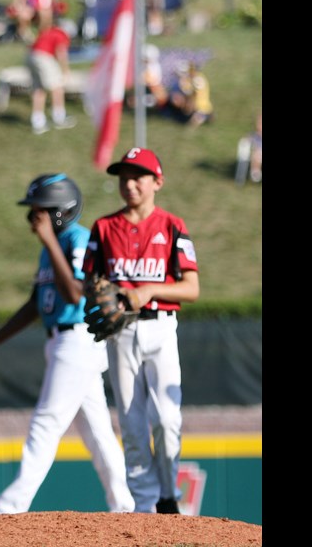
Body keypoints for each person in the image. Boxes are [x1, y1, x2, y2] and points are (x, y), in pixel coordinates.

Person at [0, 174, 134, 514]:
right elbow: (33, 305)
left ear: (59, 211)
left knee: (46, 424)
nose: (32, 219)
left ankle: (8, 509)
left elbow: (75, 292)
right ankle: (126, 505)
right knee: (98, 432)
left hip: (77, 339)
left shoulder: (77, 238)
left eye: (38, 212)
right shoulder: (53, 247)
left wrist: (48, 240)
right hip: (63, 342)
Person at [82, 147, 200, 514]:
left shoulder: (172, 225)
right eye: (123, 177)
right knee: (132, 426)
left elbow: (192, 288)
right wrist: (103, 297)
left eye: (138, 177)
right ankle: (146, 507)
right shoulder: (103, 228)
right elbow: (89, 281)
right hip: (122, 334)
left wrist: (148, 290)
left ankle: (168, 496)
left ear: (157, 182)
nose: (129, 184)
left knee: (167, 419)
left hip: (161, 329)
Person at [25, 23, 75, 134]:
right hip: (43, 56)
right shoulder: (61, 35)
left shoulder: (49, 30)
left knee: (38, 89)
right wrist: (65, 70)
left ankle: (38, 122)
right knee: (57, 88)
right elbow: (61, 52)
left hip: (30, 56)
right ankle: (59, 118)